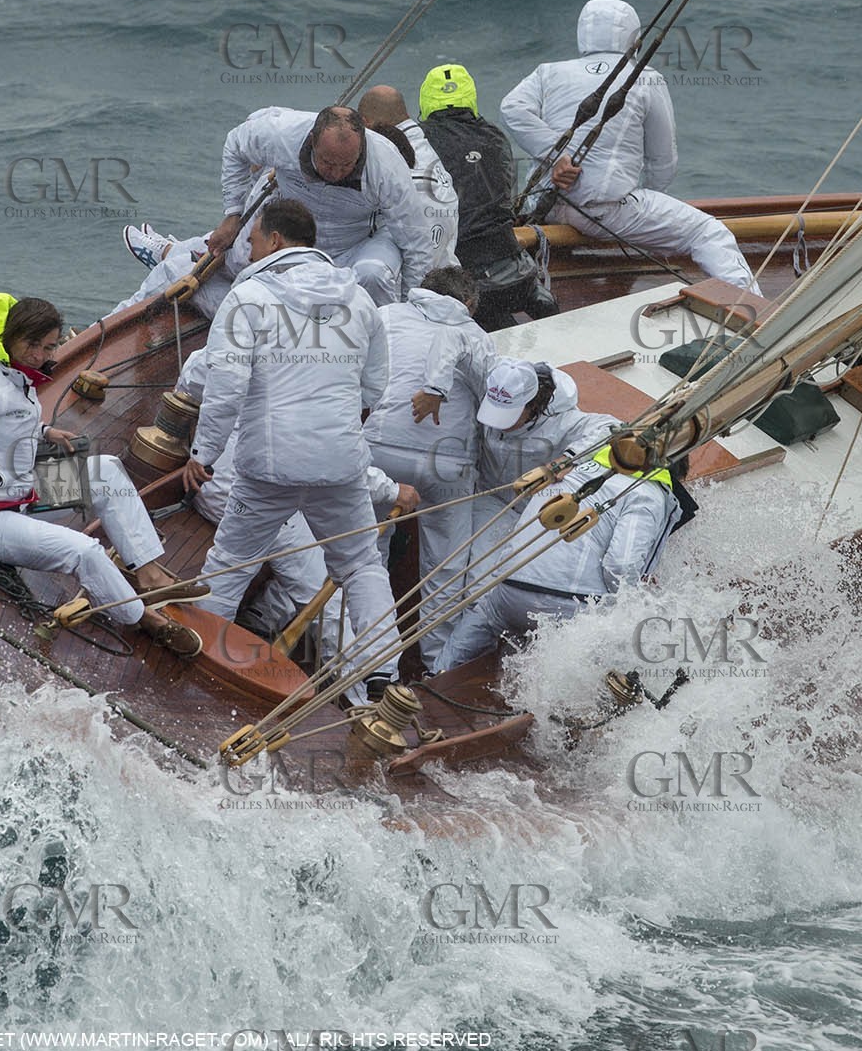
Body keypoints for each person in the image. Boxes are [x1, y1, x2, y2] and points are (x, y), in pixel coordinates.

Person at [0, 293, 204, 657]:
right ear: (12, 340)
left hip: (21, 493)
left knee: (106, 471)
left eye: (50, 345)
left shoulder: (8, 373)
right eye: (41, 346)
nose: (48, 356)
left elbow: (0, 421)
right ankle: (144, 618)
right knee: (85, 552)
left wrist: (43, 432)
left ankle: (149, 573)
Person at [183, 200, 403, 694]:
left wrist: (203, 455)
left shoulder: (249, 298)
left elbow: (225, 385)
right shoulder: (360, 299)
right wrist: (339, 425)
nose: (250, 250)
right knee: (361, 564)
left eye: (254, 240)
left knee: (231, 559)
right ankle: (383, 673)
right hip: (343, 466)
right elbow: (375, 388)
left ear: (276, 241)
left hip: (268, 467)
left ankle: (200, 655)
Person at [500, 0, 759, 294]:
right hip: (605, 212)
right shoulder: (648, 79)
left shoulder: (547, 72)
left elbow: (512, 108)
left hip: (544, 206)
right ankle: (752, 309)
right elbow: (663, 163)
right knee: (709, 232)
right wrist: (643, 206)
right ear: (634, 38)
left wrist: (556, 154)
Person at [120, 105, 434, 313]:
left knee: (375, 274)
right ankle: (172, 259)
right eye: (327, 162)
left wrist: (411, 309)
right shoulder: (282, 134)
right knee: (209, 267)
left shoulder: (387, 168)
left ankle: (383, 335)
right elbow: (235, 147)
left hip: (352, 245)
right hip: (287, 235)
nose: (336, 173)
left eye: (346, 165)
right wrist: (232, 214)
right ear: (312, 141)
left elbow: (416, 243)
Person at [433, 447, 682, 672]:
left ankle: (432, 677)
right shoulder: (649, 494)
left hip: (508, 591)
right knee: (635, 621)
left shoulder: (574, 471)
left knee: (487, 612)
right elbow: (620, 566)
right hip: (566, 609)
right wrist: (637, 598)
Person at [361, 266, 498, 668]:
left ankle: (369, 662)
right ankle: (437, 668)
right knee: (445, 569)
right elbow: (491, 404)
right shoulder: (477, 337)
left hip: (380, 449)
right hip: (449, 464)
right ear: (468, 305)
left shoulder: (386, 316)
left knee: (366, 556)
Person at [417, 63, 560, 331]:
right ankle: (539, 299)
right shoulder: (496, 136)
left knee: (491, 319)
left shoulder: (421, 141)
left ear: (426, 101)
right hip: (513, 265)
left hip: (468, 277)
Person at [468, 358, 621, 586]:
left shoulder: (563, 421)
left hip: (536, 513)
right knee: (478, 578)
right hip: (491, 501)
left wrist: (567, 459)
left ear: (534, 406)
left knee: (516, 577)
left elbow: (611, 428)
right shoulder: (494, 387)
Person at [357, 85, 461, 272]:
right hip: (446, 270)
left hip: (414, 278)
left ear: (365, 123)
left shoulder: (393, 164)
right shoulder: (427, 153)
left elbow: (419, 255)